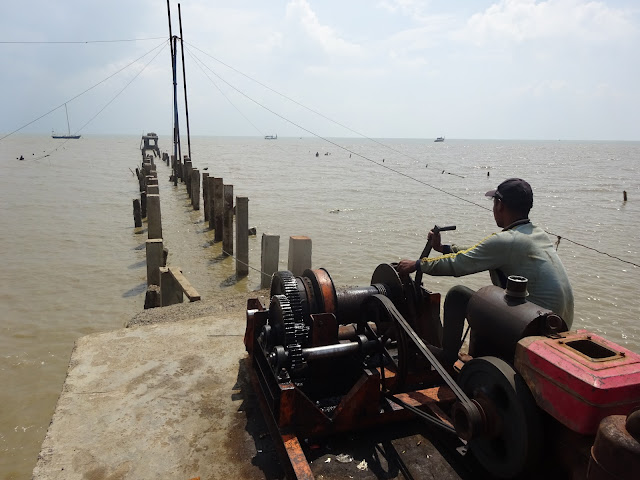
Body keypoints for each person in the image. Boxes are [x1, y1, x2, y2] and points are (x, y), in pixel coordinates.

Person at [397, 178, 574, 365]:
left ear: (499, 205)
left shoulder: (506, 241)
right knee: (488, 300)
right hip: (559, 326)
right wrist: (443, 248)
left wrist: (417, 265)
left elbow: (460, 264)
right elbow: (477, 252)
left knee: (458, 295)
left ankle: (446, 356)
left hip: (532, 328)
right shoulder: (536, 234)